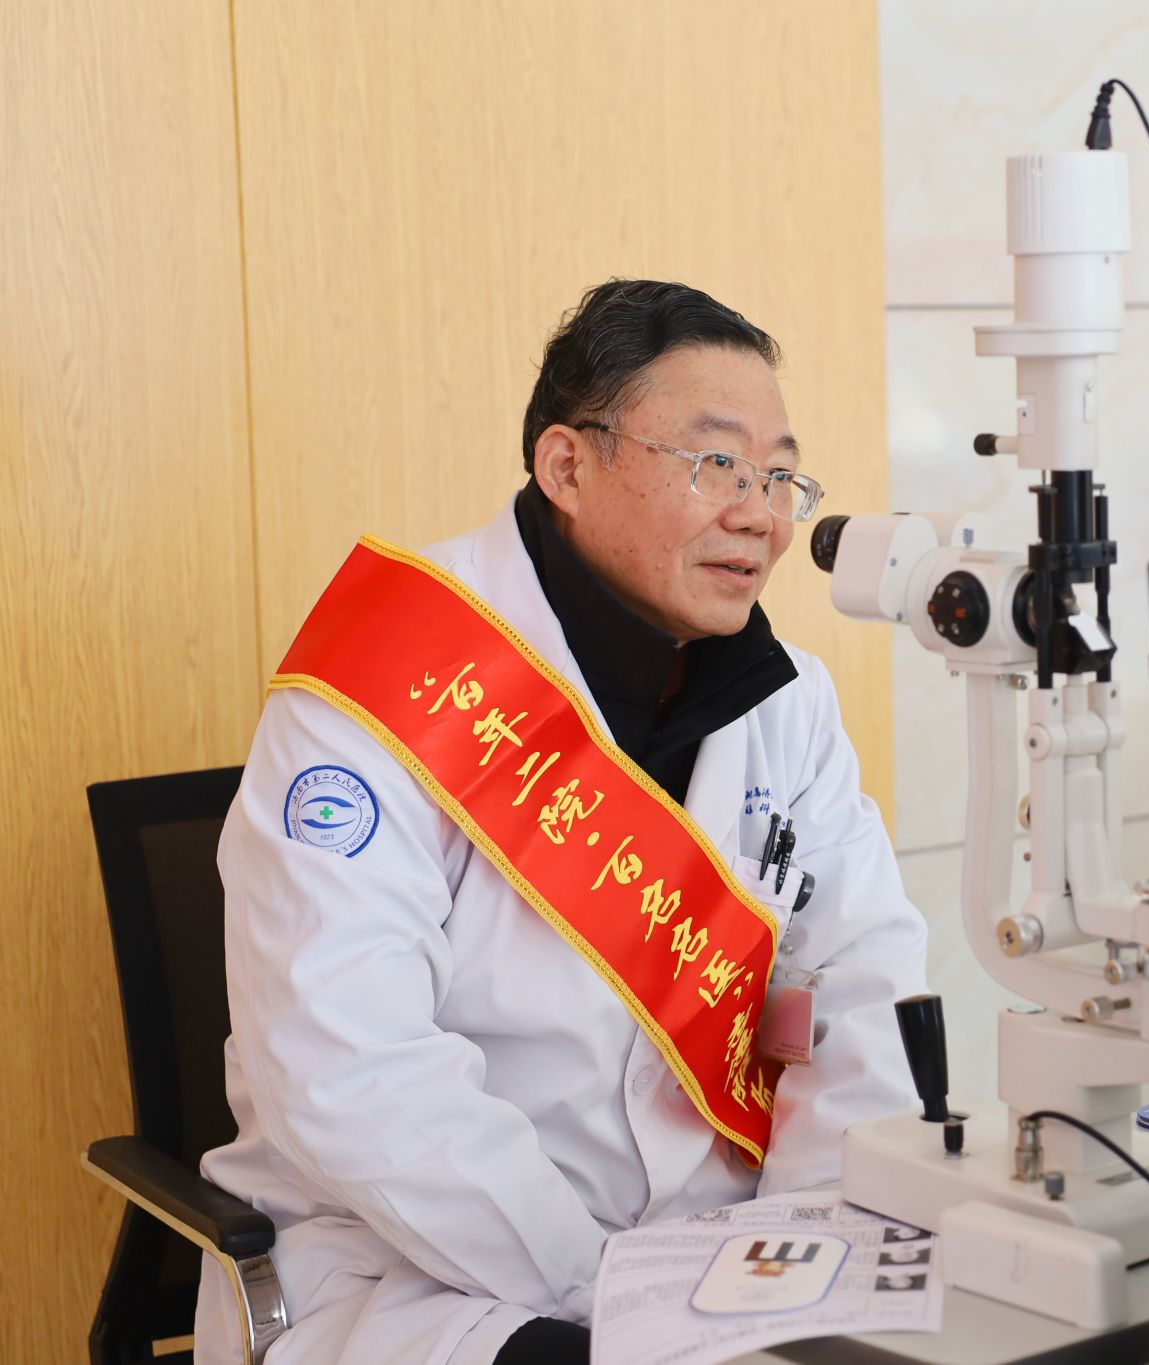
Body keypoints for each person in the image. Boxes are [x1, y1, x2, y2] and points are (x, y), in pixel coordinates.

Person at [197, 280, 928, 1365]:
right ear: (567, 467)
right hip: (430, 1279)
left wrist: (806, 1257)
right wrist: (620, 1298)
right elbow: (349, 1071)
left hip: (721, 1259)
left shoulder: (785, 703)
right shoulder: (381, 693)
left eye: (779, 476)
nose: (761, 516)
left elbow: (863, 987)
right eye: (716, 464)